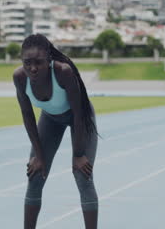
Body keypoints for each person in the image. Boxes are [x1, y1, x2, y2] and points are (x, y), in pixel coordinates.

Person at [13, 34, 99, 229]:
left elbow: (78, 114)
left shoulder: (63, 72)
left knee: (82, 175)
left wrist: (78, 155)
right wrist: (38, 155)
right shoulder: (19, 77)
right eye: (28, 63)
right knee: (35, 175)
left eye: (39, 62)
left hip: (80, 117)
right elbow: (28, 117)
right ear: (21, 61)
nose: (33, 68)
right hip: (51, 119)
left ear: (49, 60)